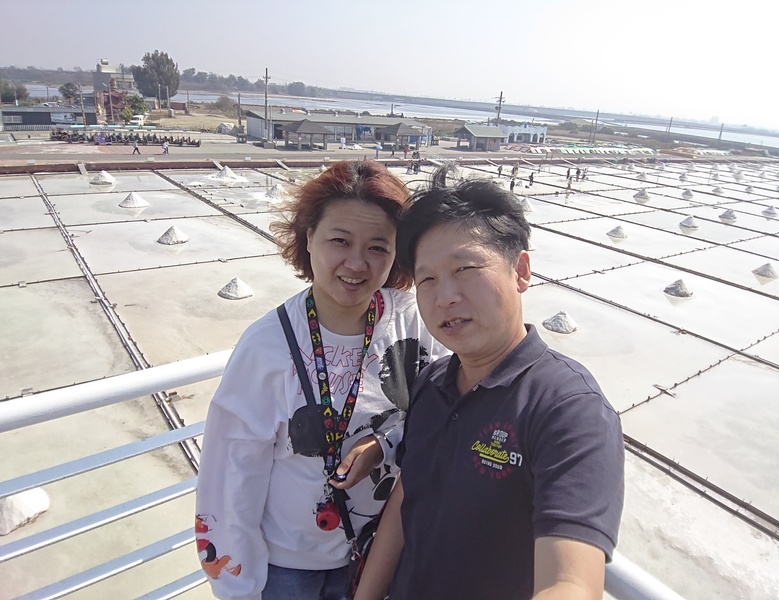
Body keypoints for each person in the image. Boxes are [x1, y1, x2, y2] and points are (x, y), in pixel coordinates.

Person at [355, 169, 624, 600]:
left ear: (521, 271)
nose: (445, 297)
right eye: (428, 279)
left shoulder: (568, 408)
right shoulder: (432, 381)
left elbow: (571, 582)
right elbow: (407, 496)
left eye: (465, 268)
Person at [196, 160, 445, 600]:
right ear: (308, 237)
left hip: (383, 555)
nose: (357, 263)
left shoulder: (412, 322)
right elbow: (230, 478)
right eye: (340, 241)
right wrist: (239, 587)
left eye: (378, 247)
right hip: (289, 570)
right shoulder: (266, 346)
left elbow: (447, 411)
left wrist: (385, 443)